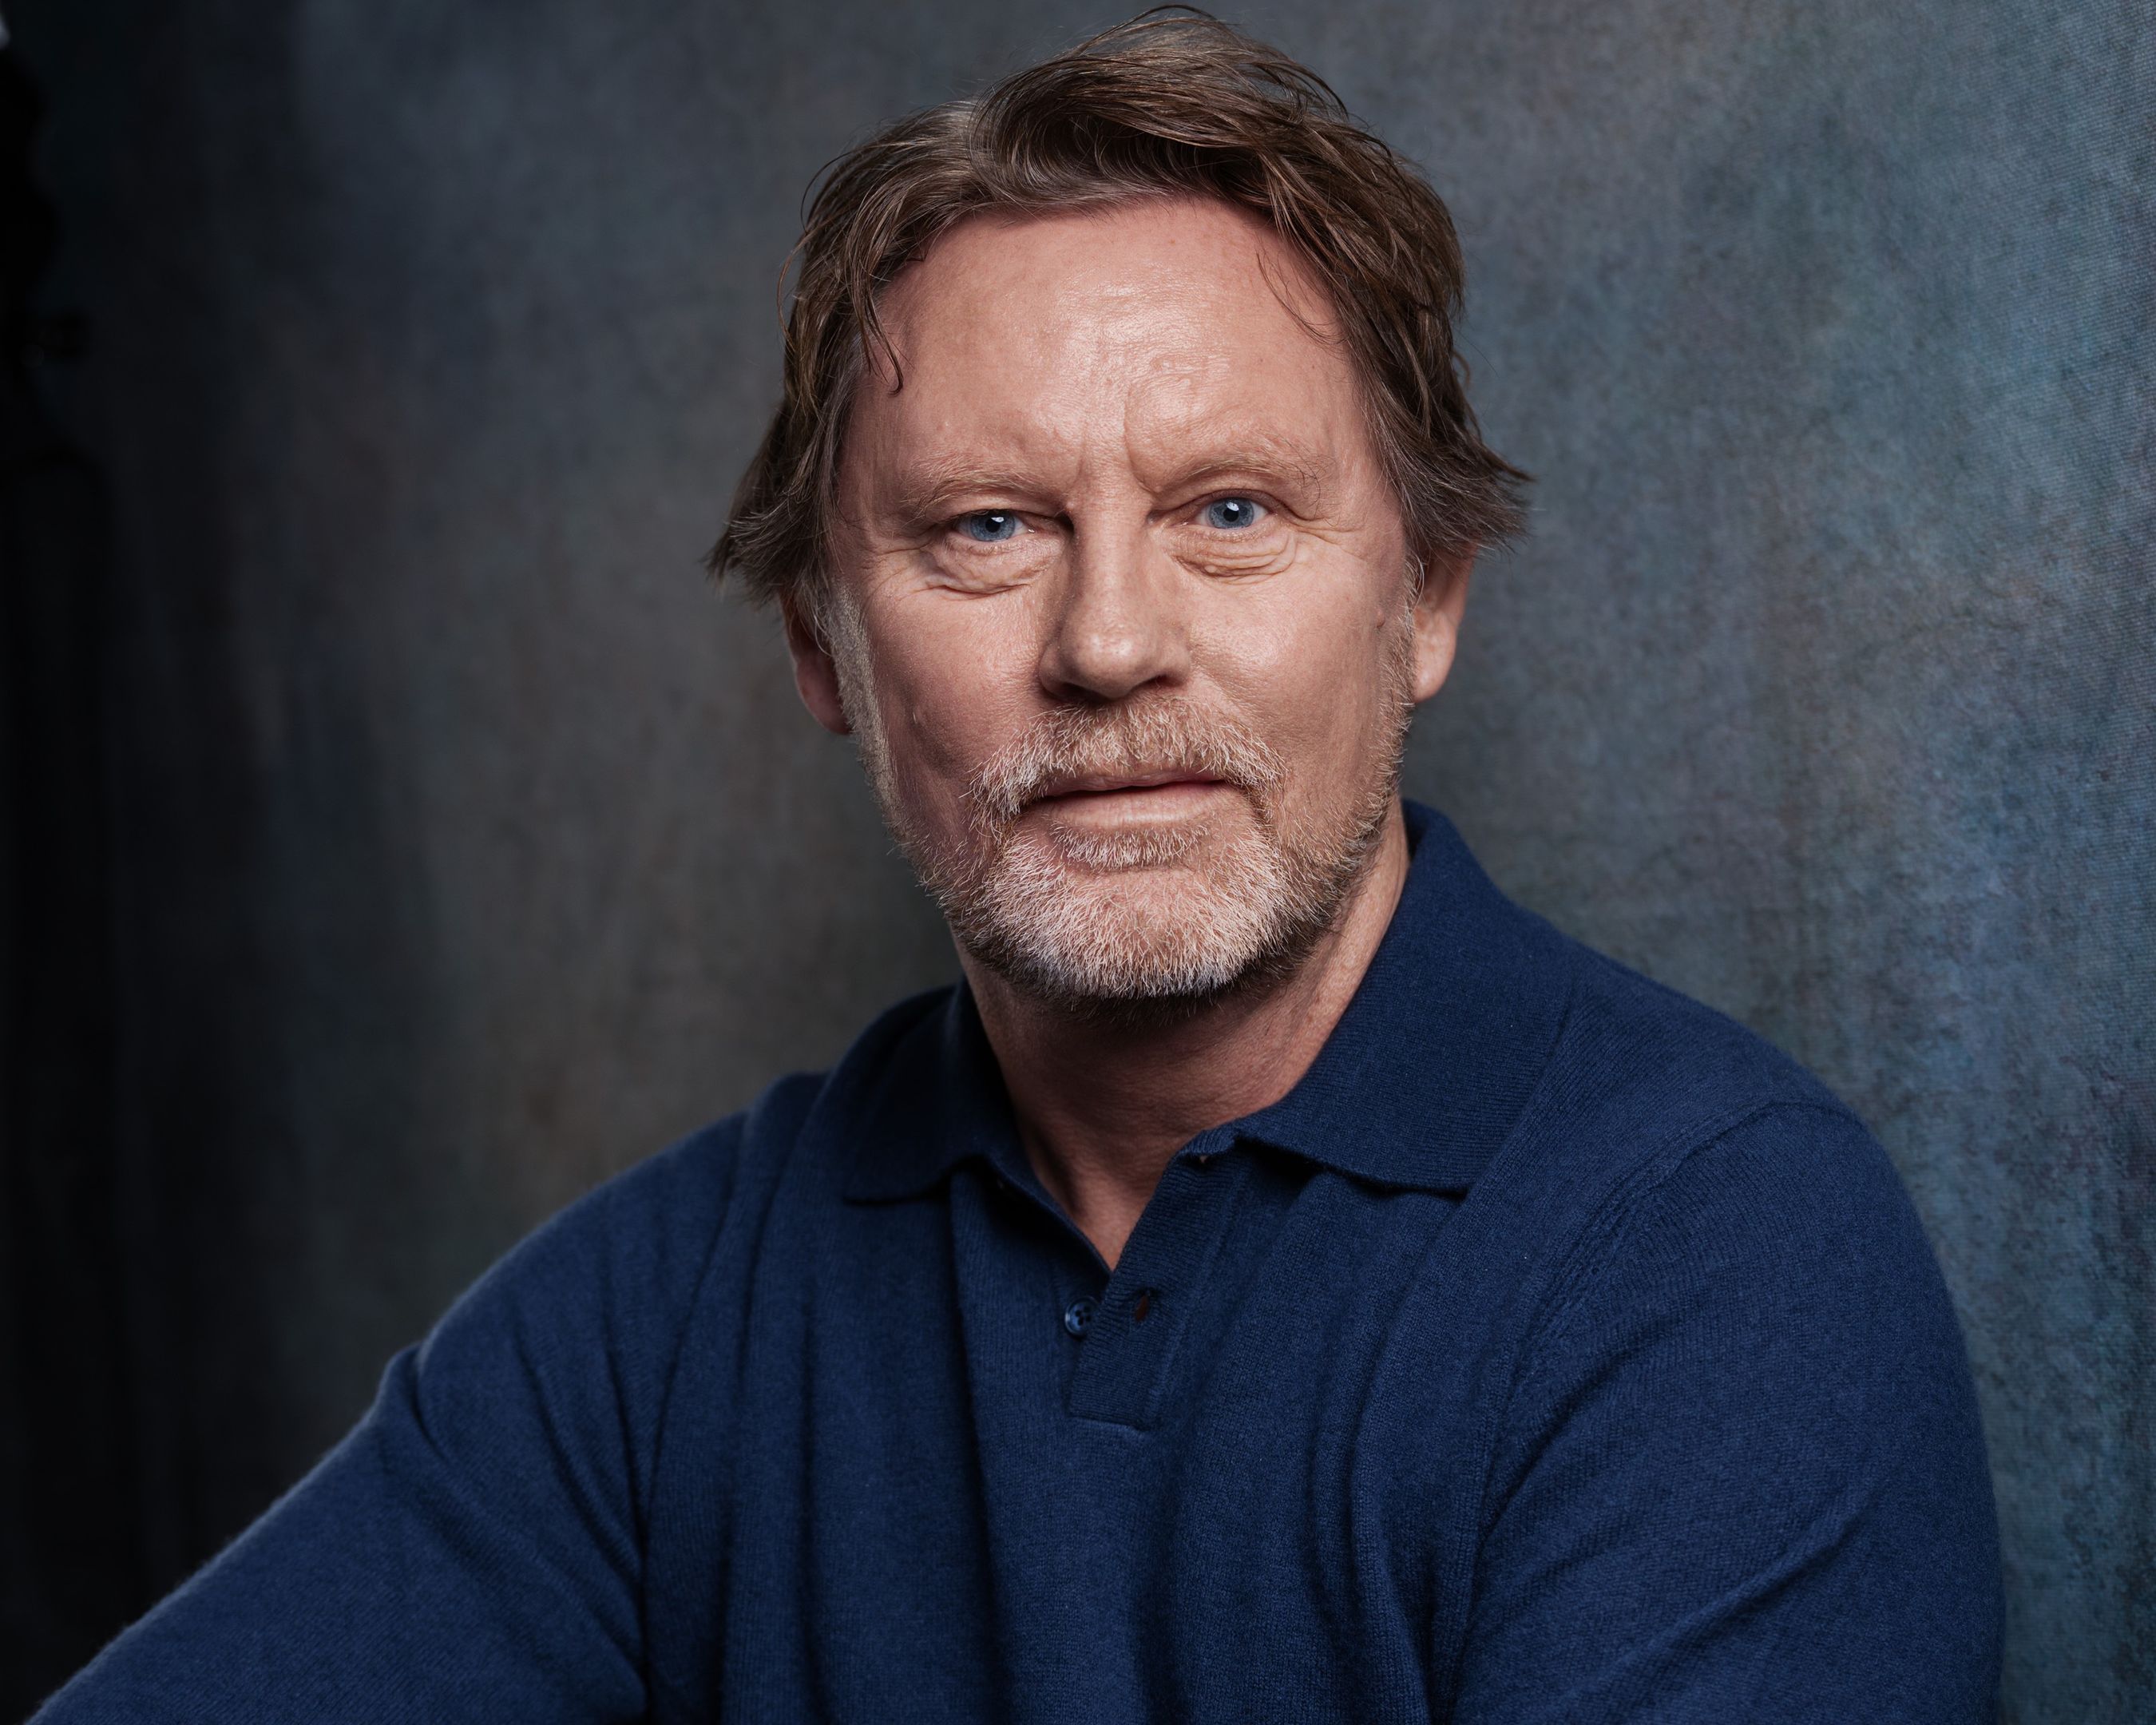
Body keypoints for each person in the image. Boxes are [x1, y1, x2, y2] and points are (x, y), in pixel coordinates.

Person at [38, 14, 2002, 1722]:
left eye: (1230, 510)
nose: (1110, 644)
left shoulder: (1714, 1255)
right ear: (823, 646)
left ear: (1423, 600)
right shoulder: (670, 1317)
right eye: (987, 528)